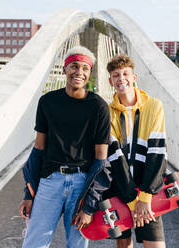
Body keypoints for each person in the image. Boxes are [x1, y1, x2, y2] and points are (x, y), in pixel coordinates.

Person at [19, 46, 112, 248]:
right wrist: (28, 194)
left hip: (81, 184)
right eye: (74, 66)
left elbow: (101, 161)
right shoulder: (47, 102)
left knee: (77, 245)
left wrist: (88, 206)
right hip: (50, 181)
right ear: (64, 69)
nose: (79, 72)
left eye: (85, 69)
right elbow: (38, 149)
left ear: (90, 73)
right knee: (34, 244)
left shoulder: (99, 107)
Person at [105, 54, 167, 248]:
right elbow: (115, 158)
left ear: (134, 77)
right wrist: (132, 201)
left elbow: (157, 153)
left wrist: (145, 198)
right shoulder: (108, 112)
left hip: (146, 192)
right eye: (116, 75)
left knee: (155, 245)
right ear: (110, 81)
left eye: (125, 74)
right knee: (124, 245)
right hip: (119, 190)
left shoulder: (154, 106)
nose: (121, 78)